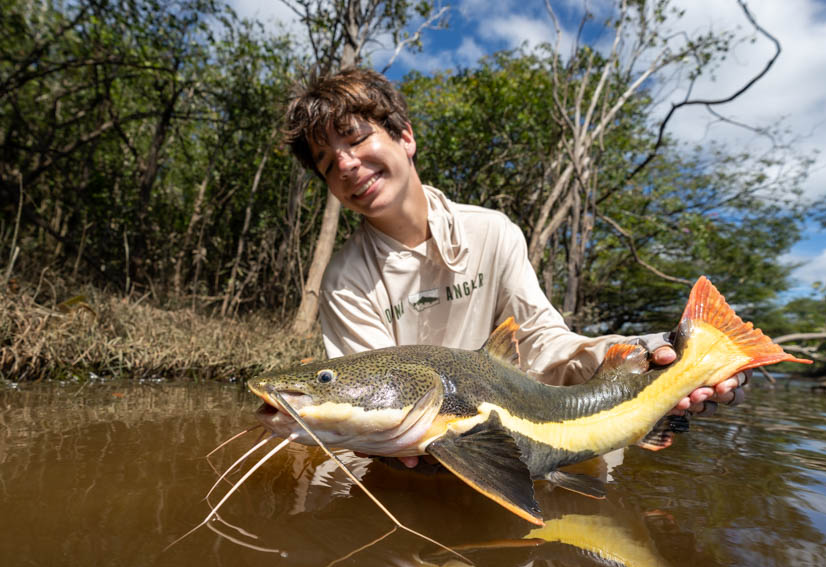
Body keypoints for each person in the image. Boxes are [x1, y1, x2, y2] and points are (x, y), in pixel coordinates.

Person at [283, 68, 750, 468]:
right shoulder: (344, 280)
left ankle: (709, 355)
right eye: (326, 163)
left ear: (405, 137)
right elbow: (366, 400)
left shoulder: (494, 232)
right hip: (418, 462)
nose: (345, 164)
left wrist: (651, 353)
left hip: (528, 432)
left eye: (357, 138)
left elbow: (545, 343)